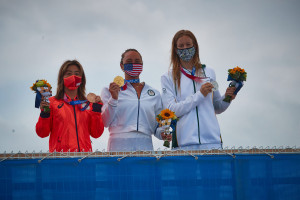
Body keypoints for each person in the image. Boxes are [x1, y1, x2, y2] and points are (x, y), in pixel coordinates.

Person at [161, 30, 236, 150]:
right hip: (184, 144)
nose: (185, 48)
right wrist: (200, 95)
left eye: (188, 45)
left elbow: (217, 107)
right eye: (181, 46)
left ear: (195, 46)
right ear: (175, 49)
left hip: (213, 142)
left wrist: (227, 98)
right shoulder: (168, 77)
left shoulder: (209, 71)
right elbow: (171, 110)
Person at [101, 49, 170, 152]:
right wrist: (114, 99)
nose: (133, 64)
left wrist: (163, 134)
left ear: (142, 65)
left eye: (137, 62)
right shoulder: (110, 90)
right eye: (129, 62)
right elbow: (105, 122)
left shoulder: (154, 93)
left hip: (145, 144)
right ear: (121, 65)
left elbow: (157, 125)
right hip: (118, 145)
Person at [36, 60, 104, 152]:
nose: (73, 77)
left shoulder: (89, 104)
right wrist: (44, 114)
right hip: (61, 159)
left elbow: (96, 133)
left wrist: (96, 110)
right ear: (62, 77)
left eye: (77, 74)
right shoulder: (52, 103)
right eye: (68, 74)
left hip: (84, 159)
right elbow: (42, 133)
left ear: (82, 79)